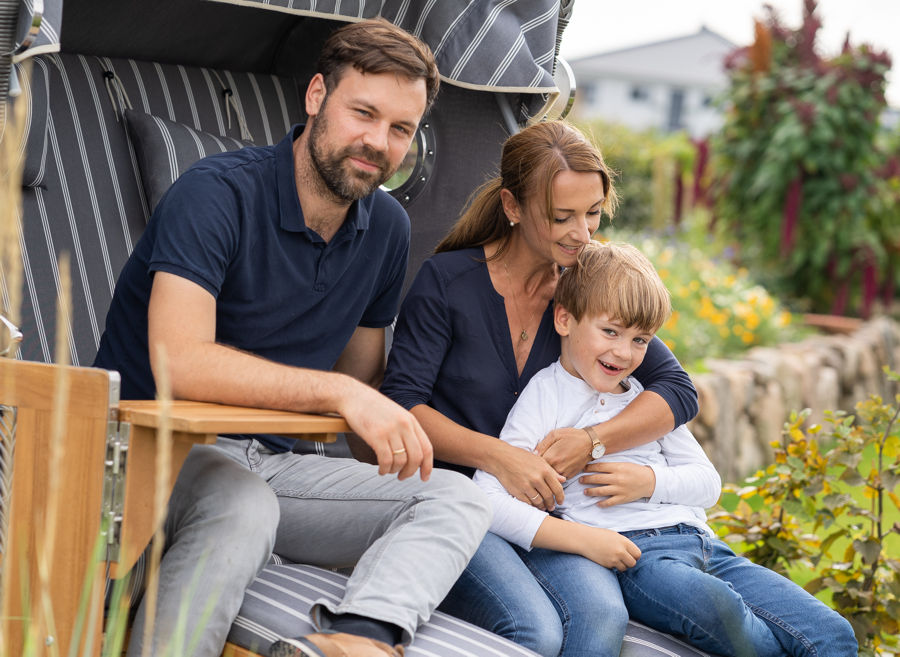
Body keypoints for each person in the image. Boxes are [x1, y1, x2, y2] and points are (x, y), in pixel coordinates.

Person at [93, 18, 491, 657]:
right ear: (316, 98)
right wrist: (339, 394)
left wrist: (446, 422)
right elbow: (181, 363)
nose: (377, 143)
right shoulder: (216, 193)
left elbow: (363, 389)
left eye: (401, 129)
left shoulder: (387, 227)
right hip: (152, 454)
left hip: (275, 465)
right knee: (245, 503)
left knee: (454, 497)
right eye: (363, 113)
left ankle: (353, 640)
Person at [380, 120, 699, 656]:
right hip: (454, 500)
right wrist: (501, 458)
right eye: (562, 216)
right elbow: (400, 405)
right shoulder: (447, 282)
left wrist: (593, 441)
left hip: (553, 517)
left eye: (593, 213)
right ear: (512, 205)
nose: (583, 233)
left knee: (597, 615)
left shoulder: (584, 292)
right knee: (536, 629)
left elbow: (678, 390)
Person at [474, 240, 858, 657]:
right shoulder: (546, 397)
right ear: (564, 319)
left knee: (833, 634)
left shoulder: (644, 400)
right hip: (640, 557)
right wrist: (584, 538)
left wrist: (648, 481)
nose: (624, 352)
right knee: (717, 606)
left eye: (641, 340)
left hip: (705, 546)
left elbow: (708, 484)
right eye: (611, 331)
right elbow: (489, 497)